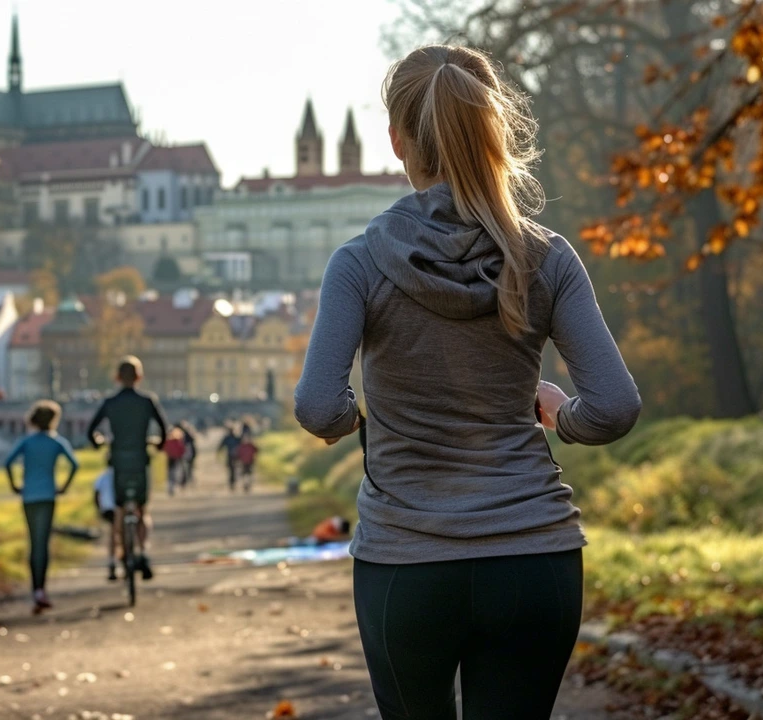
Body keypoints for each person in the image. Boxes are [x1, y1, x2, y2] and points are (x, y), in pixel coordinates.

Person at [293, 45, 641, 720]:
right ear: (493, 134)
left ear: (397, 142)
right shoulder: (547, 257)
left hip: (405, 564)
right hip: (534, 558)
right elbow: (615, 407)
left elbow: (317, 405)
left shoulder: (360, 263)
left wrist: (356, 422)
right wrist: (560, 412)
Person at [86, 356, 167, 580]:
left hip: (118, 461)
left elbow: (91, 430)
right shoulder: (147, 401)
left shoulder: (110, 402)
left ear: (117, 378)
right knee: (142, 510)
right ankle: (143, 551)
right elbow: (163, 429)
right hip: (141, 459)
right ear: (139, 377)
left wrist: (98, 442)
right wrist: (158, 444)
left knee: (121, 509)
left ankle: (120, 555)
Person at [5, 400, 79, 613]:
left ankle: (35, 588)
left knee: (33, 541)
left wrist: (14, 485)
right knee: (43, 542)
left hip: (28, 496)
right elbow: (74, 464)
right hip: (48, 495)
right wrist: (64, 486)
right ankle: (42, 590)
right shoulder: (57, 442)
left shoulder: (26, 442)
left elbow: (8, 462)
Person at [93, 467, 118, 580]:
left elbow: (96, 494)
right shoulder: (126, 473)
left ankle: (112, 560)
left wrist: (99, 509)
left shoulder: (102, 476)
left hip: (107, 509)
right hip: (115, 508)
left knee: (113, 533)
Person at [218, 423, 242, 492]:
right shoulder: (235, 438)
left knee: (233, 470)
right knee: (232, 470)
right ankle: (232, 483)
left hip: (235, 456)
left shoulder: (235, 438)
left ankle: (232, 482)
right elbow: (221, 446)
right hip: (233, 457)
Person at [163, 427, 187, 497]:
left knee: (171, 473)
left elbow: (165, 449)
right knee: (175, 473)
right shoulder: (177, 441)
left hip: (171, 458)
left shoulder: (168, 441)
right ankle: (173, 487)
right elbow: (182, 450)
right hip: (176, 459)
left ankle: (172, 487)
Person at [178, 422, 198, 488]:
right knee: (186, 470)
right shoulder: (182, 435)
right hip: (186, 455)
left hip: (187, 455)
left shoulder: (184, 435)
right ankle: (186, 483)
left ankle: (187, 483)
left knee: (187, 470)